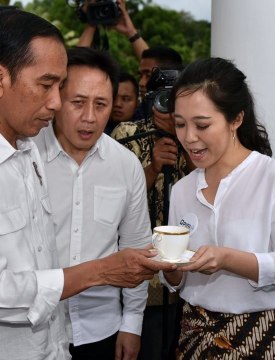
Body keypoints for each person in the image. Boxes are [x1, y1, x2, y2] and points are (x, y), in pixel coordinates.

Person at [0, 11, 174, 360]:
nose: (56, 102)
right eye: (46, 85)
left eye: (59, 86)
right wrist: (101, 270)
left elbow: (40, 264)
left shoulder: (27, 151)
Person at [161, 57, 275, 359]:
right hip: (193, 331)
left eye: (202, 125)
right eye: (179, 124)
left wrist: (227, 258)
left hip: (259, 332)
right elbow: (176, 280)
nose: (189, 137)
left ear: (236, 119)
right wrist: (169, 267)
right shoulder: (182, 189)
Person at [33, 46, 150, 360]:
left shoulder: (126, 165)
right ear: (56, 99)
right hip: (34, 329)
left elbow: (136, 249)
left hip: (103, 330)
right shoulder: (26, 158)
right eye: (78, 102)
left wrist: (133, 323)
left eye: (101, 105)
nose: (89, 117)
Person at [110, 46, 189, 360]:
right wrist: (153, 167)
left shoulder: (199, 140)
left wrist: (183, 134)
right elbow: (114, 204)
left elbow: (215, 192)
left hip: (186, 279)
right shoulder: (127, 133)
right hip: (137, 280)